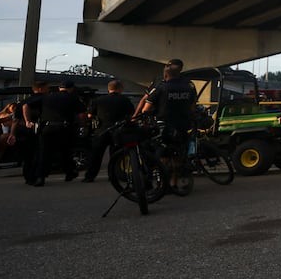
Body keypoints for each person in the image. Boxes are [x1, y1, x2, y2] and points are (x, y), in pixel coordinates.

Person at [136, 61, 198, 191]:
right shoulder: (189, 86)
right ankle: (174, 182)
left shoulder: (161, 87)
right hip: (183, 125)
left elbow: (146, 109)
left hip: (164, 126)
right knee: (177, 154)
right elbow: (192, 107)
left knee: (163, 154)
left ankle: (161, 183)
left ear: (166, 75)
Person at [83, 79, 135, 182]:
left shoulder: (98, 100)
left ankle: (89, 176)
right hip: (118, 130)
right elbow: (131, 115)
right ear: (120, 89)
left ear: (108, 89)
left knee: (96, 155)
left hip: (101, 130)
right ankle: (114, 176)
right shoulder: (125, 100)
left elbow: (89, 115)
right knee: (116, 155)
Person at [20, 80, 50, 186]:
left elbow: (16, 117)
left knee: (28, 154)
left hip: (25, 130)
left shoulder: (25, 99)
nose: (48, 90)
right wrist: (28, 121)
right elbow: (26, 107)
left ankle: (28, 176)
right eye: (47, 88)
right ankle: (35, 176)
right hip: (36, 129)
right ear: (40, 89)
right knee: (38, 153)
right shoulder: (41, 98)